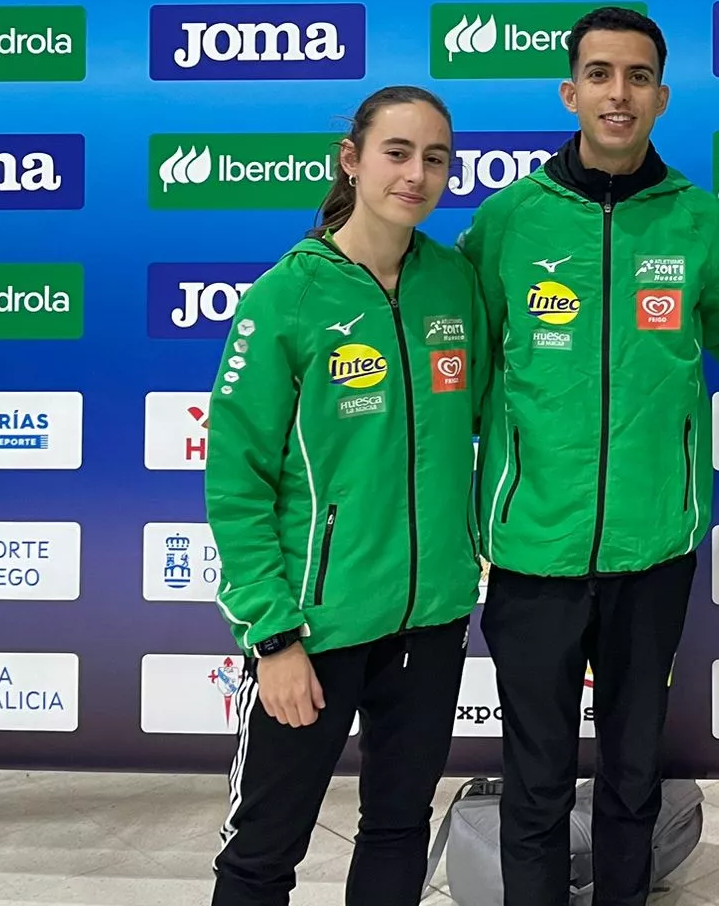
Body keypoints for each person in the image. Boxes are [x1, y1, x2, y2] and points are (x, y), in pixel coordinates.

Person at [460, 7, 719, 906]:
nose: (617, 94)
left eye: (635, 77)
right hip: (532, 550)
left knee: (633, 771)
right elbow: (468, 369)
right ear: (570, 91)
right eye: (599, 74)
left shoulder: (699, 223)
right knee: (536, 776)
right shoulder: (510, 221)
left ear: (662, 95)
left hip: (651, 547)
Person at [206, 85, 484, 906]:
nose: (417, 173)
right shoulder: (286, 297)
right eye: (397, 153)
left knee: (398, 830)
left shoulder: (454, 284)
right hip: (313, 633)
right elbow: (237, 480)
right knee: (263, 852)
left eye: (435, 158)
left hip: (429, 622)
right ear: (353, 159)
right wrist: (274, 637)